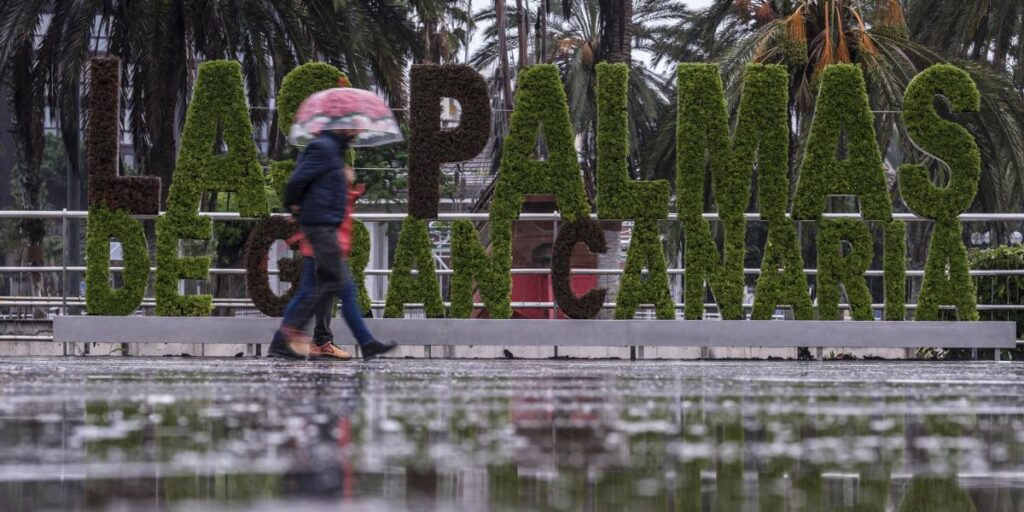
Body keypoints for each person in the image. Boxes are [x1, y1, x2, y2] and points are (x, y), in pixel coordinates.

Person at [270, 129, 396, 360]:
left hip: (325, 230)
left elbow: (325, 190)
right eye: (352, 126)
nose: (357, 131)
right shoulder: (324, 148)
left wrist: (344, 180)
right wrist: (293, 206)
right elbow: (297, 181)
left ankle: (284, 340)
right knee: (335, 288)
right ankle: (287, 337)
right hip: (322, 230)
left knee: (325, 289)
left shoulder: (333, 151)